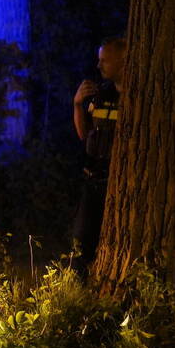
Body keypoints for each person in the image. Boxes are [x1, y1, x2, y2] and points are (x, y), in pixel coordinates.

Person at [70, 36, 126, 277]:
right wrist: (77, 105)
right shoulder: (101, 94)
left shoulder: (138, 97)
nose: (99, 66)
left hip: (119, 182)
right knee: (81, 242)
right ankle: (77, 290)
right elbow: (85, 135)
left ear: (123, 62)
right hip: (93, 179)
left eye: (104, 60)